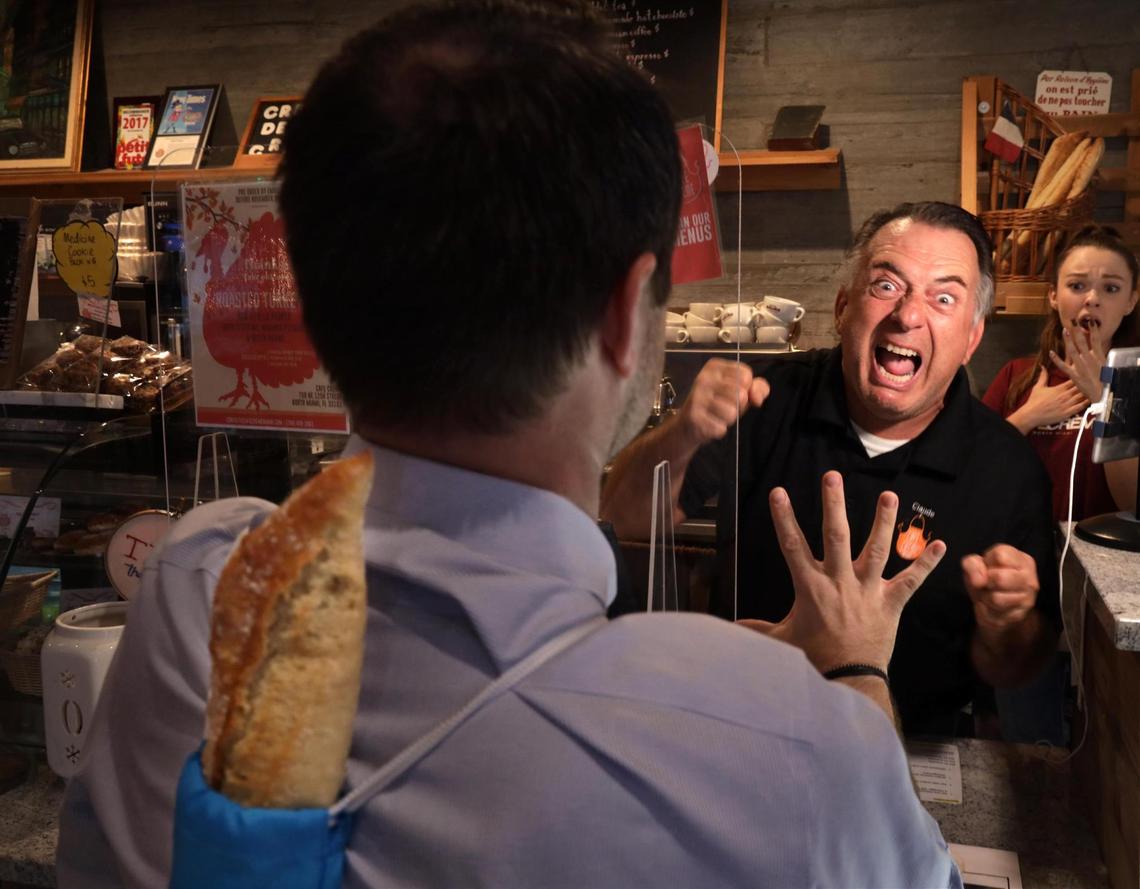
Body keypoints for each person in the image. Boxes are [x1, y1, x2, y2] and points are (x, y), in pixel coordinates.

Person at [56, 3, 961, 887]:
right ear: (621, 317)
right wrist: (852, 667)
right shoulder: (797, 748)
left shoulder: (201, 590)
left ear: (313, 297)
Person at [602, 201, 1062, 738]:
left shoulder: (1007, 471)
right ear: (843, 307)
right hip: (745, 725)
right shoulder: (770, 397)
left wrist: (1006, 623)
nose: (908, 315)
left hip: (912, 750)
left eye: (943, 298)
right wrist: (683, 435)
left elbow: (1014, 668)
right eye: (887, 285)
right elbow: (619, 516)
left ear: (971, 339)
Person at [983, 225, 1140, 520]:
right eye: (1077, 286)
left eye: (1111, 288)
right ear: (1054, 297)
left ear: (1130, 302)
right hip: (1015, 555)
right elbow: (970, 471)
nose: (1092, 298)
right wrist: (1028, 417)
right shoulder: (1017, 375)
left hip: (1099, 559)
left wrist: (1105, 399)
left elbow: (1131, 504)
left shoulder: (1135, 384)